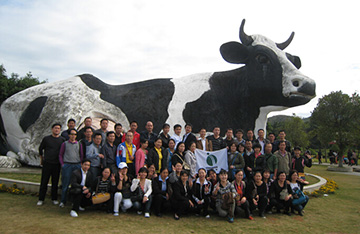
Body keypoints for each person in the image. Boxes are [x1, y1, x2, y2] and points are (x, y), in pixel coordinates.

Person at [37, 123, 65, 206]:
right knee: (44, 181)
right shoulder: (46, 139)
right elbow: (40, 149)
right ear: (52, 129)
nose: (57, 130)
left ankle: (54, 198)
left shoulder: (62, 140)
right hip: (47, 163)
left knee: (55, 182)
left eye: (58, 128)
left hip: (57, 164)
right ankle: (41, 199)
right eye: (55, 128)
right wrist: (42, 159)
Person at [59, 128, 84, 207]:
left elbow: (81, 155)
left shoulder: (79, 144)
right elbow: (60, 154)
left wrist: (80, 164)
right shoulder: (65, 144)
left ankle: (74, 201)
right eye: (72, 134)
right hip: (67, 165)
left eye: (75, 134)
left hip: (76, 165)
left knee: (76, 184)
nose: (73, 136)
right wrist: (62, 164)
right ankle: (63, 201)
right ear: (69, 135)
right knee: (65, 184)